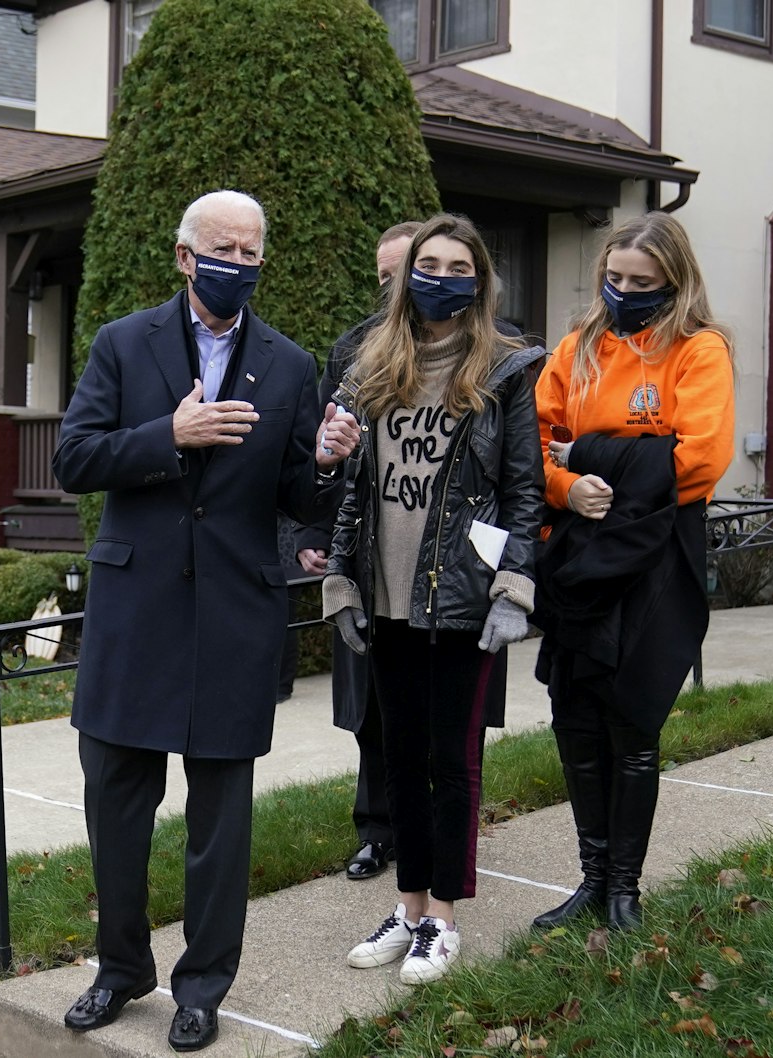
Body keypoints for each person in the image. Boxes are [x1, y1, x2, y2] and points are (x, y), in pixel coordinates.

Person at [52, 189, 361, 1051]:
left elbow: (298, 494)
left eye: (252, 251)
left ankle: (202, 986)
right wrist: (168, 434)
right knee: (117, 806)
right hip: (135, 616)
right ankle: (119, 971)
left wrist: (329, 461)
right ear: (186, 257)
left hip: (233, 616)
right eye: (222, 247)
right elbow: (74, 459)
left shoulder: (291, 364)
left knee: (221, 819)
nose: (238, 262)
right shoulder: (123, 343)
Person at [323, 213, 544, 984]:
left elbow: (524, 489)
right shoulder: (371, 365)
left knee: (451, 762)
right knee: (398, 759)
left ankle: (443, 918)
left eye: (457, 265)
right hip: (385, 597)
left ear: (479, 279)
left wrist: (514, 588)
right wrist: (339, 580)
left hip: (460, 600)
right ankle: (408, 907)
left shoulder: (507, 370)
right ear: (405, 274)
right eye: (428, 263)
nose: (440, 277)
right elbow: (348, 486)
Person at [530, 211, 735, 932]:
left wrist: (589, 456)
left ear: (673, 283)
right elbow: (539, 445)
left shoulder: (698, 350)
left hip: (657, 553)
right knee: (576, 721)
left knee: (633, 720)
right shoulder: (577, 348)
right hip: (579, 547)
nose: (624, 293)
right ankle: (590, 879)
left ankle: (625, 888)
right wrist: (566, 483)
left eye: (641, 283)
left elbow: (702, 459)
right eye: (614, 279)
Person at [296, 221, 423, 881]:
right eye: (382, 275)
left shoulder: (490, 349)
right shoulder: (351, 350)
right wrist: (316, 537)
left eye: (401, 270)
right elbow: (326, 451)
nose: (390, 287)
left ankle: (444, 828)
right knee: (369, 704)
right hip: (366, 550)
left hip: (441, 556)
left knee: (441, 705)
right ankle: (377, 829)